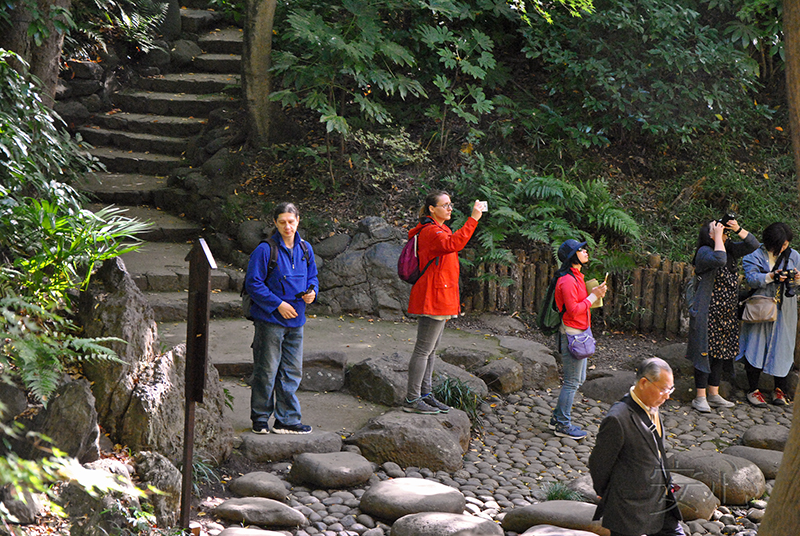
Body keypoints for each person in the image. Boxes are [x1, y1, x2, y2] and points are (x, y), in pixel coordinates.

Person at [403, 192, 484, 414]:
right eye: (445, 205)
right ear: (431, 209)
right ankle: (412, 399)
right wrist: (473, 218)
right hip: (433, 297)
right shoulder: (431, 231)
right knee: (423, 350)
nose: (450, 208)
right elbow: (454, 244)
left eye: (451, 204)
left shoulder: (441, 229)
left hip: (441, 296)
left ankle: (425, 394)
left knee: (431, 350)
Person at [245, 202, 319, 434]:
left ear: (298, 221)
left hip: (297, 320)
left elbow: (313, 276)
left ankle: (286, 419)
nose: (288, 226)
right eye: (282, 222)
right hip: (270, 320)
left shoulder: (306, 249)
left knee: (292, 371)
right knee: (266, 370)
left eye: (291, 221)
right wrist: (278, 304)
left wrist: (312, 291)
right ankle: (260, 418)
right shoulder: (266, 249)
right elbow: (253, 283)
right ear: (275, 223)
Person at [589, 357, 684, 536]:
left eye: (670, 389)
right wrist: (605, 492)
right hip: (628, 507)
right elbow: (599, 463)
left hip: (661, 499)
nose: (668, 396)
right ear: (643, 383)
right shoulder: (617, 418)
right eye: (664, 389)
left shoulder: (652, 405)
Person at [686, 218, 758, 413]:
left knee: (720, 352)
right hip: (707, 312)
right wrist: (717, 236)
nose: (723, 233)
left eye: (723, 231)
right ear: (709, 235)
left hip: (726, 312)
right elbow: (719, 259)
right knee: (704, 352)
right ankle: (700, 397)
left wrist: (737, 228)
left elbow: (753, 244)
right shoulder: (704, 253)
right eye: (717, 230)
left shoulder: (731, 250)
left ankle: (714, 394)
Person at [548, 239, 607, 440]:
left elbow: (581, 304)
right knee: (572, 382)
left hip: (581, 332)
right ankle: (563, 424)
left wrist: (593, 295)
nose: (586, 251)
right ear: (573, 255)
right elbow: (573, 309)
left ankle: (557, 417)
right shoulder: (566, 280)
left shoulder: (576, 277)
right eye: (581, 250)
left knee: (579, 379)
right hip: (572, 334)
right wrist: (593, 297)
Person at [738, 222, 799, 407]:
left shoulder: (794, 256)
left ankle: (779, 389)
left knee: (783, 347)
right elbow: (751, 278)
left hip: (785, 309)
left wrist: (796, 279)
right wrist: (772, 276)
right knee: (755, 344)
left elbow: (797, 287)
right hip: (761, 307)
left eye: (786, 244)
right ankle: (753, 389)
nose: (784, 247)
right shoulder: (754, 255)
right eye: (781, 244)